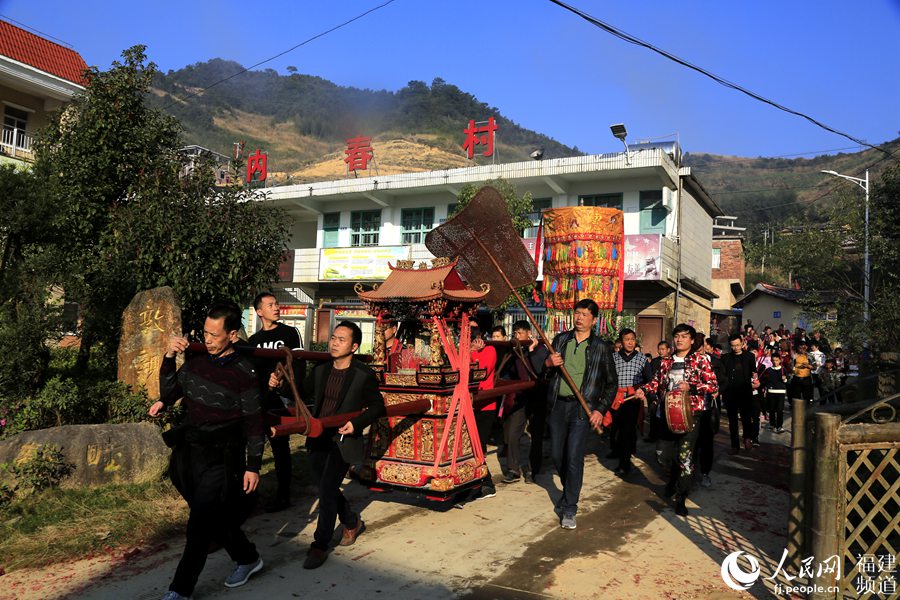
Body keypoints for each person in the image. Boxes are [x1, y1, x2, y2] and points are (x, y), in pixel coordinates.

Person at [150, 302, 265, 600]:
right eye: (205, 333)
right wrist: (169, 356)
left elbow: (254, 422)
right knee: (212, 515)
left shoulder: (244, 372)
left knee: (199, 521)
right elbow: (171, 391)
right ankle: (248, 557)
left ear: (233, 335)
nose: (208, 339)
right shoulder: (198, 359)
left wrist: (253, 465)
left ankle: (180, 590)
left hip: (222, 455)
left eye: (215, 335)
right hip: (190, 450)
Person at [286, 321, 386, 570]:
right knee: (326, 487)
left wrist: (356, 423)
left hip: (344, 439)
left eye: (341, 339)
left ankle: (319, 545)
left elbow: (377, 406)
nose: (334, 342)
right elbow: (302, 393)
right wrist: (281, 382)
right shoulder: (321, 370)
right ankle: (351, 521)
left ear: (353, 346)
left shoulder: (363, 374)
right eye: (333, 337)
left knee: (327, 488)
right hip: (319, 437)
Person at [531, 299, 616, 530]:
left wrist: (600, 409)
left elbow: (611, 384)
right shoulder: (561, 340)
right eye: (577, 313)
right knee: (558, 455)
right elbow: (544, 376)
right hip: (558, 406)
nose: (579, 318)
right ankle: (569, 492)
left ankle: (570, 507)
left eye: (585, 314)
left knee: (574, 458)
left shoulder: (601, 347)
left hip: (583, 408)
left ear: (594, 320)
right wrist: (548, 363)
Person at [635, 323, 718, 516]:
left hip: (691, 415)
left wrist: (692, 387)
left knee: (685, 457)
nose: (679, 339)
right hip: (666, 414)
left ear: (691, 340)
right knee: (662, 454)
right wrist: (643, 390)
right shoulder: (665, 362)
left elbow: (712, 386)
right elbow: (656, 382)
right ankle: (673, 478)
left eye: (684, 336)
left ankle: (681, 497)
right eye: (677, 336)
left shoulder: (700, 360)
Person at [247, 292, 303, 512]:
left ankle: (283, 494)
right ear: (259, 311)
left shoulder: (290, 333)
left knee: (280, 446)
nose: (276, 307)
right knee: (255, 443)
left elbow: (297, 365)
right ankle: (252, 495)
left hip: (282, 395)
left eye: (277, 304)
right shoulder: (254, 341)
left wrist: (284, 386)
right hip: (261, 396)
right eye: (270, 304)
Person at [606, 328, 652, 478]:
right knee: (615, 429)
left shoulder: (642, 359)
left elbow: (649, 380)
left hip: (632, 400)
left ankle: (624, 464)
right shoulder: (612, 358)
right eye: (627, 339)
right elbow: (607, 378)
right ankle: (619, 451)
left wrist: (642, 390)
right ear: (621, 341)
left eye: (632, 339)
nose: (630, 342)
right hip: (615, 399)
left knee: (627, 431)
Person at [500, 320, 541, 484]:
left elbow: (538, 371)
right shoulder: (514, 352)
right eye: (515, 333)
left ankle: (532, 470)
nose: (517, 336)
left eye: (520, 333)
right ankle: (513, 469)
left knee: (536, 436)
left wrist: (530, 352)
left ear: (529, 333)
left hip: (537, 396)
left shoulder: (540, 349)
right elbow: (506, 373)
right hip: (520, 397)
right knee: (512, 434)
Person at [469, 319, 499, 499]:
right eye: (467, 329)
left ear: (481, 332)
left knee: (478, 447)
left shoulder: (490, 349)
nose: (471, 333)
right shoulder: (461, 349)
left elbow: (480, 373)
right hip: (466, 405)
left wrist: (472, 353)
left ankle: (486, 483)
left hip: (485, 405)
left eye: (474, 329)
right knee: (468, 448)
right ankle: (479, 483)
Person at [695, 337, 728, 488]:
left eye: (700, 347)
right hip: (690, 409)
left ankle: (705, 473)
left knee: (707, 442)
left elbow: (723, 381)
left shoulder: (714, 362)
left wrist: (717, 391)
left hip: (709, 409)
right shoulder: (685, 361)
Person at [721, 333, 758, 454]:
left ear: (742, 343)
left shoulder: (749, 356)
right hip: (730, 392)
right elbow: (723, 375)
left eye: (738, 345)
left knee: (746, 418)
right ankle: (734, 445)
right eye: (733, 346)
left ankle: (747, 438)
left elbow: (753, 371)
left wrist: (755, 377)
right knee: (732, 421)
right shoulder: (725, 357)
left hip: (745, 391)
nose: (736, 348)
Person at [763, 353, 788, 433]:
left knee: (780, 410)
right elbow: (766, 381)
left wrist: (784, 379)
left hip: (781, 392)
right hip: (771, 391)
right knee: (772, 409)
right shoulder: (768, 370)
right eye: (773, 360)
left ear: (780, 360)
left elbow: (787, 381)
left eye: (777, 360)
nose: (775, 362)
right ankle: (772, 424)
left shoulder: (783, 369)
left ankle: (779, 426)